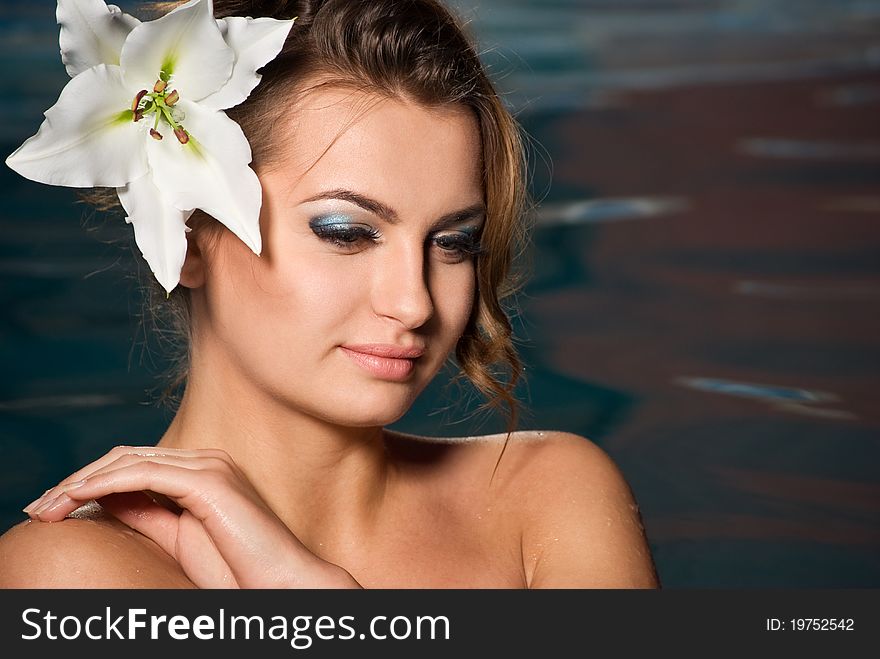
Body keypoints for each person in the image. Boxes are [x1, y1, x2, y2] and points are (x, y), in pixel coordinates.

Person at [0, 0, 660, 588]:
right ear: (193, 235)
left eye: (453, 242)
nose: (416, 303)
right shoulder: (73, 573)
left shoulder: (550, 497)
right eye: (346, 232)